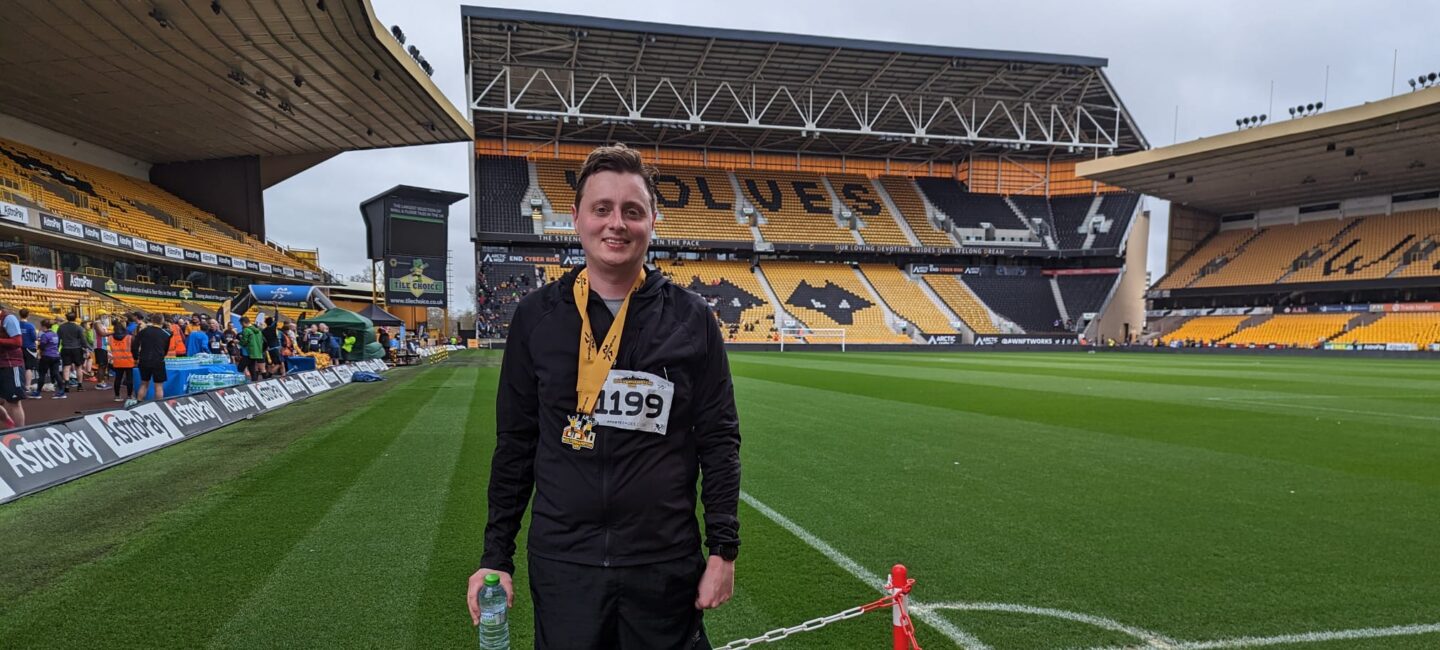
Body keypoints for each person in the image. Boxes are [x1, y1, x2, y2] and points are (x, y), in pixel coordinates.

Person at [468, 144, 741, 648]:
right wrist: (494, 557)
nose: (617, 223)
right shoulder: (535, 318)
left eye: (632, 211)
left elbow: (719, 440)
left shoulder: (692, 319)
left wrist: (723, 551)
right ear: (576, 219)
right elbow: (516, 445)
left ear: (652, 222)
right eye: (603, 209)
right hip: (564, 564)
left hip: (663, 564)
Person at [132, 313, 172, 402]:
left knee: (144, 383)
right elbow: (166, 348)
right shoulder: (167, 334)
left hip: (144, 359)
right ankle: (159, 405)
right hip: (158, 360)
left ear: (152, 320)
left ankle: (139, 402)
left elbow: (134, 345)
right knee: (158, 386)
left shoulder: (143, 331)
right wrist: (162, 356)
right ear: (162, 321)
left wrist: (135, 358)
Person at [0, 307, 28, 426]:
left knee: (14, 402)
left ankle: (21, 434)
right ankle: (9, 422)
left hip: (11, 364)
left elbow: (17, 342)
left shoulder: (8, 318)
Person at [57, 312, 88, 392]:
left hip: (65, 348)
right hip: (77, 348)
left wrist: (56, 349)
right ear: (75, 318)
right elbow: (83, 340)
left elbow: (58, 339)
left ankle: (66, 385)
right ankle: (80, 385)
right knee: (78, 367)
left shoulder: (61, 327)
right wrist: (86, 348)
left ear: (67, 318)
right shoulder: (78, 328)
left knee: (66, 367)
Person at [35, 319, 64, 399]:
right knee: (56, 373)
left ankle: (38, 392)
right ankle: (61, 391)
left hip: (47, 356)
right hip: (55, 355)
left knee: (42, 374)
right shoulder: (55, 334)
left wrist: (39, 346)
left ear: (44, 326)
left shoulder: (45, 335)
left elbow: (42, 346)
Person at [108, 325, 136, 404]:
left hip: (117, 360)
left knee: (118, 379)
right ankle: (129, 395)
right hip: (128, 361)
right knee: (129, 379)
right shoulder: (129, 338)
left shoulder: (110, 338)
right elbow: (134, 349)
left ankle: (117, 396)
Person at [18, 308, 37, 395]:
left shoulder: (17, 324)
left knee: (19, 367)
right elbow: (34, 338)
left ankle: (20, 385)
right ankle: (27, 386)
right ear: (28, 315)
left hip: (18, 347)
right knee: (29, 368)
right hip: (29, 348)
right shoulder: (30, 326)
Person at [90, 318, 110, 390]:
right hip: (99, 346)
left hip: (103, 346)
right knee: (101, 365)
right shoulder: (97, 323)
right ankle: (99, 383)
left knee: (104, 365)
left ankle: (102, 382)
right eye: (104, 315)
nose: (106, 317)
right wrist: (114, 332)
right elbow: (102, 334)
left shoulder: (102, 325)